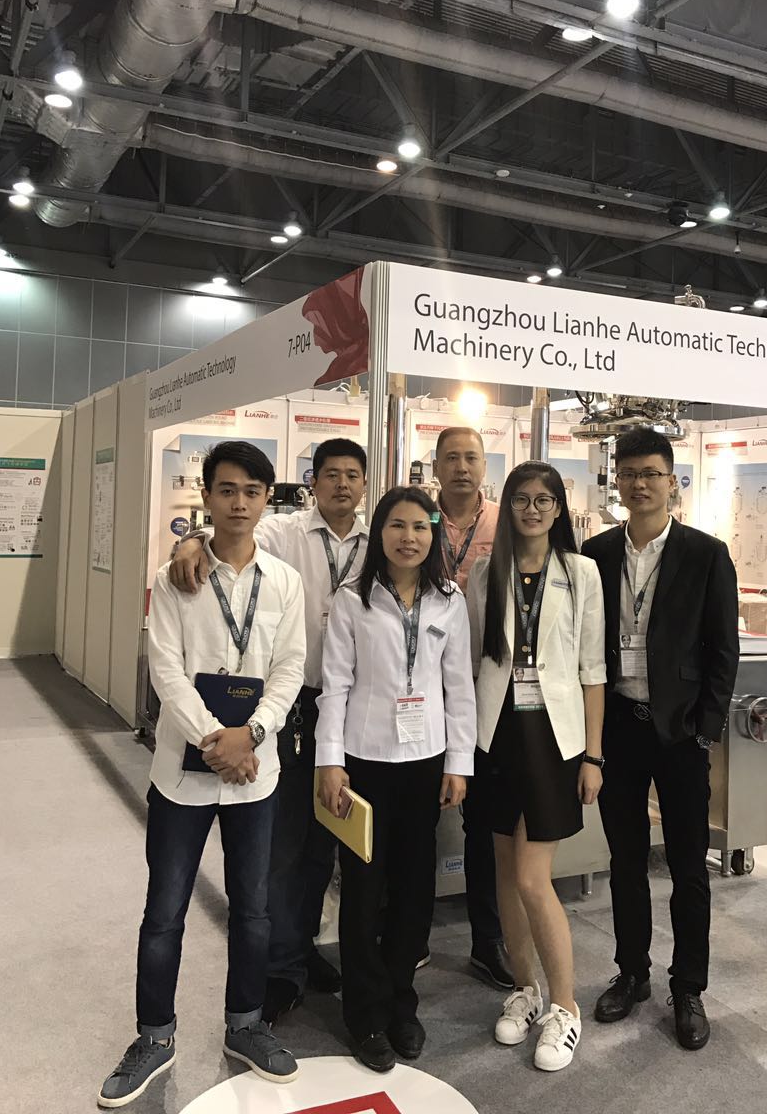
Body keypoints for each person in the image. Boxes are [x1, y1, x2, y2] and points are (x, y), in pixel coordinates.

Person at [98, 442, 306, 1108]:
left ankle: (245, 1025)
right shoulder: (174, 577)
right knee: (164, 913)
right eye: (227, 489)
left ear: (266, 499)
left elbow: (290, 668)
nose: (239, 502)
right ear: (207, 496)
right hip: (183, 774)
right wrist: (216, 739)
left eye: (252, 491)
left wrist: (254, 734)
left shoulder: (284, 581)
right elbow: (165, 668)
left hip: (256, 773)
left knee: (253, 910)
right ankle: (154, 1038)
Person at [168, 438, 369, 1023]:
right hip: (290, 704)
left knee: (325, 841)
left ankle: (302, 948)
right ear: (313, 482)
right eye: (330, 474)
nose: (342, 485)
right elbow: (231, 533)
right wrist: (189, 540)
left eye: (352, 475)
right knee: (284, 843)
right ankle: (279, 967)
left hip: (349, 706)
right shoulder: (285, 533)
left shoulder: (376, 542)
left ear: (363, 484)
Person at [582, 429, 739, 1052]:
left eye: (651, 473)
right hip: (619, 727)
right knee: (624, 860)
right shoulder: (595, 553)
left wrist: (706, 729)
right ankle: (632, 973)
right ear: (616, 482)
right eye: (628, 473)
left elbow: (723, 649)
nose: (639, 484)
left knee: (688, 866)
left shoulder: (706, 554)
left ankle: (689, 986)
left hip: (680, 733)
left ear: (672, 481)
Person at [316, 487, 476, 1075]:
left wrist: (459, 762)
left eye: (421, 527)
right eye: (397, 525)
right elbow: (335, 684)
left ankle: (402, 1002)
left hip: (425, 761)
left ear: (434, 536)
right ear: (379, 531)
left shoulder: (449, 600)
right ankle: (365, 1013)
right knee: (362, 890)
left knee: (414, 890)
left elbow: (459, 686)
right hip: (364, 761)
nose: (409, 537)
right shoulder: (352, 599)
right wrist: (329, 760)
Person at [466, 462, 605, 1073]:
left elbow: (592, 669)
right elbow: (474, 658)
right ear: (508, 505)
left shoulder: (581, 572)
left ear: (558, 508)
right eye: (521, 499)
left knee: (531, 877)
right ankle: (525, 990)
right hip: (495, 733)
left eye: (543, 500)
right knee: (504, 871)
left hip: (554, 739)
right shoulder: (485, 572)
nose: (532, 510)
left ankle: (565, 1007)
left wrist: (594, 754)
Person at [430, 426, 513, 991]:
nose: (462, 467)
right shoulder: (415, 517)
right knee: (413, 817)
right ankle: (408, 934)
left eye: (472, 458)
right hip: (419, 685)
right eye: (451, 458)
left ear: (485, 467)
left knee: (483, 821)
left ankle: (489, 940)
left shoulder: (507, 521)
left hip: (486, 688)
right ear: (435, 466)